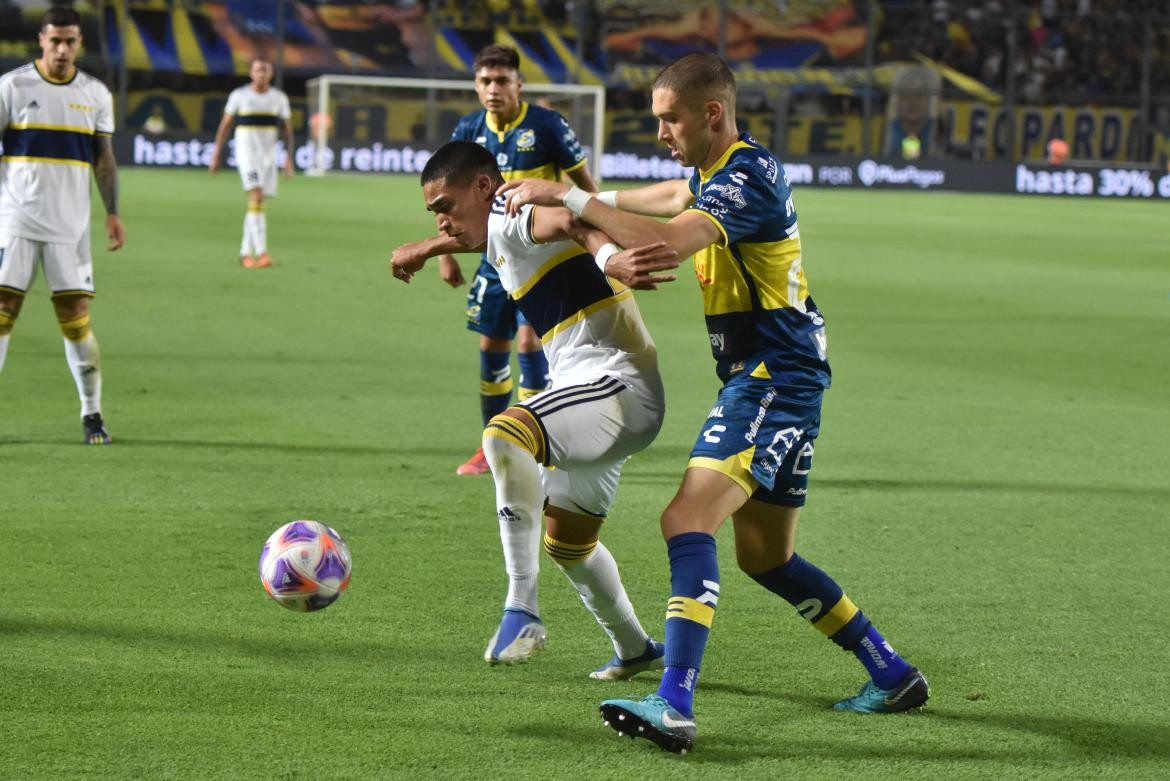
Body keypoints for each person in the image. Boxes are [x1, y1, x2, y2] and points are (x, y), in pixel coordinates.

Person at [499, 52, 928, 753]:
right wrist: (573, 194)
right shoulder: (714, 172)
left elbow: (671, 238)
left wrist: (574, 200)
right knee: (766, 556)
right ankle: (891, 670)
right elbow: (672, 196)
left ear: (712, 113)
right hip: (776, 375)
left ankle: (673, 700)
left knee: (684, 517)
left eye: (670, 117)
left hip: (773, 376)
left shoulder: (749, 176)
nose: (660, 129)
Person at [391, 140, 676, 677]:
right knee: (569, 543)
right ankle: (636, 648)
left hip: (617, 384)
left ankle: (521, 608)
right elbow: (493, 240)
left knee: (505, 433)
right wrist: (428, 248)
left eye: (444, 208)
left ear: (481, 187)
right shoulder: (495, 221)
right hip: (593, 396)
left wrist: (608, 258)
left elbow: (565, 221)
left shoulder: (509, 208)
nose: (442, 222)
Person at [389, 44, 598, 476]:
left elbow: (585, 187)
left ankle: (537, 439)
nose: (494, 89)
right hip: (488, 258)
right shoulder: (468, 129)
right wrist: (444, 255)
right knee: (492, 346)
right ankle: (493, 444)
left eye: (502, 80)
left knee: (529, 343)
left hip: (539, 256)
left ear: (518, 84)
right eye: (485, 81)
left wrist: (595, 233)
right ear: (476, 85)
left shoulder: (547, 125)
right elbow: (446, 197)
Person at [0, 7, 125, 444]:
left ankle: (92, 414)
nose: (62, 49)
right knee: (1, 316)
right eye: (55, 40)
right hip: (13, 220)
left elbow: (103, 159)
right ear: (41, 39)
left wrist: (112, 212)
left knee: (75, 320)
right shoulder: (12, 86)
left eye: (70, 41)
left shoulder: (94, 94)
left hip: (69, 229)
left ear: (79, 45)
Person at [209, 57, 293, 269]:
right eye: (257, 70)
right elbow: (225, 125)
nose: (261, 74)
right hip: (247, 154)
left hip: (268, 156)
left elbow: (287, 131)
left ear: (271, 74)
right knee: (256, 196)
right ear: (251, 73)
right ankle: (262, 252)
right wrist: (216, 153)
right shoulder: (239, 96)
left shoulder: (278, 98)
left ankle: (245, 252)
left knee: (257, 202)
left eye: (265, 70)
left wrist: (288, 157)